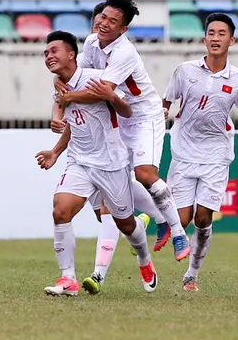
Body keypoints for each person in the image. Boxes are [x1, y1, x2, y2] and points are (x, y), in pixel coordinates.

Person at [54, 0, 190, 269]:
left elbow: (98, 92)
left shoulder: (124, 52)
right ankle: (159, 220)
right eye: (102, 16)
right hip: (117, 116)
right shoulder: (92, 43)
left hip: (142, 116)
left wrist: (68, 98)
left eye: (112, 21)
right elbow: (77, 74)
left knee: (145, 174)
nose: (103, 23)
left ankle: (179, 232)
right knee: (117, 181)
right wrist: (59, 79)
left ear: (123, 29)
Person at [35, 31, 158, 296]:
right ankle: (68, 279)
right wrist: (56, 151)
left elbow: (127, 111)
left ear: (71, 54)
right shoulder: (59, 88)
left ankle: (144, 257)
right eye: (46, 53)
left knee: (126, 225)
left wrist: (111, 98)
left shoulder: (96, 80)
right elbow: (75, 125)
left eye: (54, 51)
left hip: (111, 164)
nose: (49, 56)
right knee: (60, 210)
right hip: (79, 162)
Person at [163, 13, 238, 292]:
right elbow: (165, 104)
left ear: (232, 40)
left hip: (216, 154)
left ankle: (192, 273)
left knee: (203, 218)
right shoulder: (184, 71)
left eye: (221, 33)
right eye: (211, 33)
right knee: (181, 220)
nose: (215, 38)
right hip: (183, 151)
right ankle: (155, 221)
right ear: (204, 39)